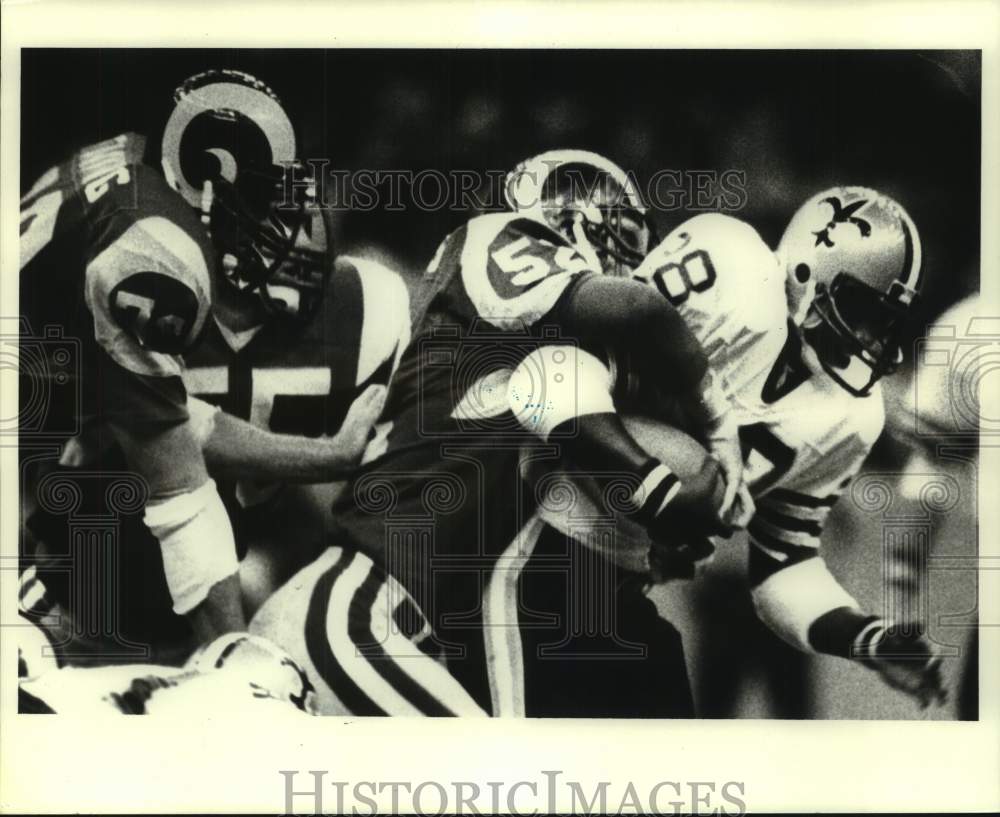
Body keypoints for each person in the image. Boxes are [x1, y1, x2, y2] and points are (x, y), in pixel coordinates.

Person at [251, 149, 745, 715]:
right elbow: (642, 308)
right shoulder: (491, 238)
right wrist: (719, 423)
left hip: (402, 634)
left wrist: (645, 545)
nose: (630, 262)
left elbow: (554, 487)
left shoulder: (534, 354)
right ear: (563, 214)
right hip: (361, 615)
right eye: (624, 236)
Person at [17, 69, 393, 673]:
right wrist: (234, 660)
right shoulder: (160, 259)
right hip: (75, 588)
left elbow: (171, 417)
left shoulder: (135, 164)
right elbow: (178, 489)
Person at [530, 187, 948, 713]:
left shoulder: (851, 416)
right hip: (529, 539)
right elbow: (556, 366)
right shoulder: (729, 267)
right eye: (862, 310)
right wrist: (649, 482)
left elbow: (784, 564)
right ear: (805, 271)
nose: (870, 338)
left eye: (884, 324)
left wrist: (862, 637)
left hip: (618, 591)